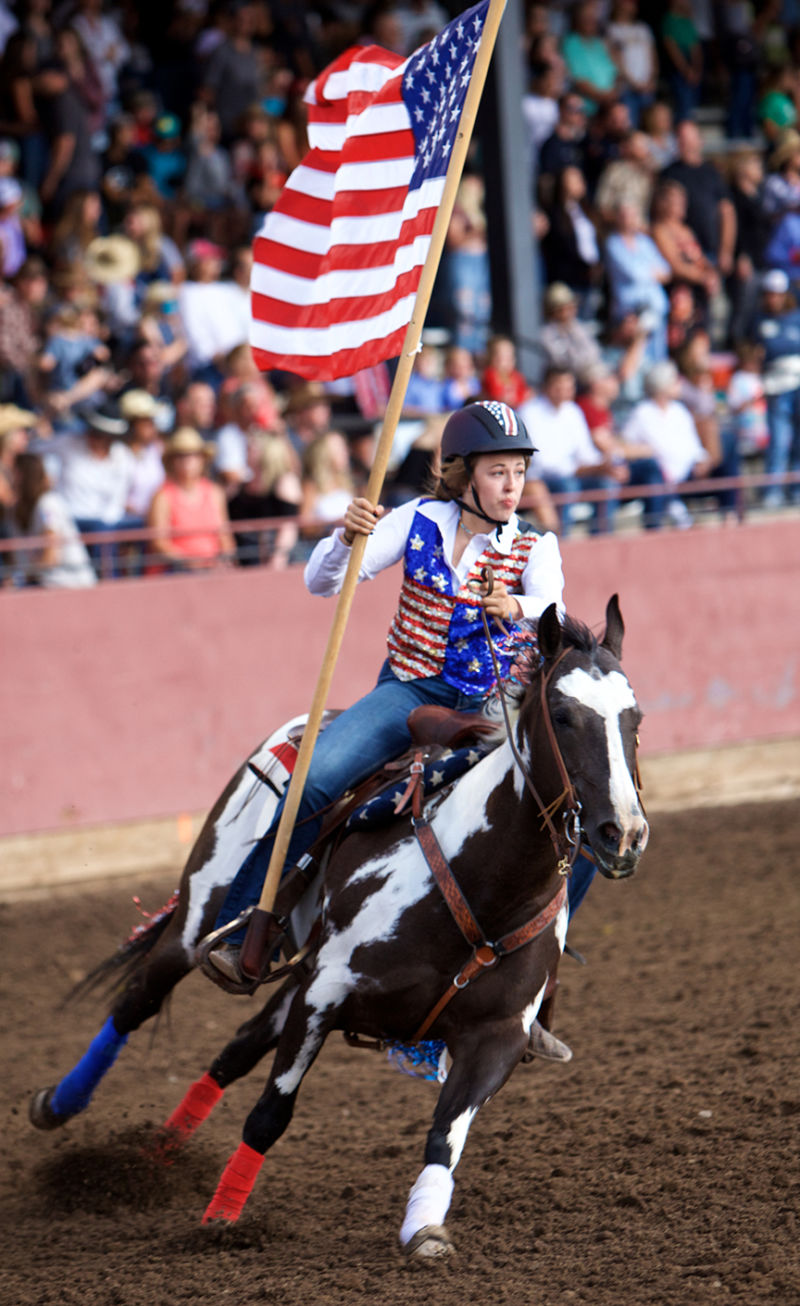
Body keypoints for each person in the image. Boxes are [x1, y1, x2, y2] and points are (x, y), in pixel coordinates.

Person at [206, 400, 565, 985]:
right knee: (315, 779)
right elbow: (319, 582)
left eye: (519, 471)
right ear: (463, 472)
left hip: (493, 706)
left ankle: (537, 987)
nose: (512, 485)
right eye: (498, 471)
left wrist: (516, 605)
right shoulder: (415, 519)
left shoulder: (534, 546)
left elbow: (553, 607)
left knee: (565, 802)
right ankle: (249, 923)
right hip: (410, 690)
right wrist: (345, 540)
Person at [147, 426, 234, 571]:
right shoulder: (162, 496)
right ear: (172, 461)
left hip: (214, 569)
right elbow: (159, 543)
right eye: (181, 455)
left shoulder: (215, 492)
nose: (188, 460)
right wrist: (190, 563)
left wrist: (225, 560)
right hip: (177, 571)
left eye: (193, 455)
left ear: (202, 459)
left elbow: (225, 537)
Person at [12, 449, 96, 588]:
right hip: (48, 584)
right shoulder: (20, 509)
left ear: (21, 475)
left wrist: (23, 577)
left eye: (14, 472)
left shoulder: (48, 504)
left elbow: (51, 557)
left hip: (68, 585)